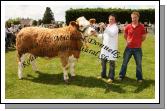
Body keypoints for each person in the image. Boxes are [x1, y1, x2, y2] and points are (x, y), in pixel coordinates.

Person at [118, 11, 147, 83]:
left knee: (139, 64)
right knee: (124, 62)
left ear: (138, 18)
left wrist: (137, 42)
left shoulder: (142, 26)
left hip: (138, 49)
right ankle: (121, 76)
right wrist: (128, 41)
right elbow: (125, 35)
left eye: (135, 17)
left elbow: (143, 37)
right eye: (132, 18)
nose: (134, 19)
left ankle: (139, 78)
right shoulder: (128, 26)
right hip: (128, 48)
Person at [98, 14, 119, 84]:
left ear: (115, 20)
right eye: (110, 19)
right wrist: (96, 34)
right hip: (105, 47)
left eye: (112, 19)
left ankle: (111, 77)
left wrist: (105, 27)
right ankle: (103, 75)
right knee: (103, 62)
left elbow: (112, 34)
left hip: (111, 48)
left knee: (111, 64)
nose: (110, 20)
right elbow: (104, 36)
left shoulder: (115, 27)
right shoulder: (108, 26)